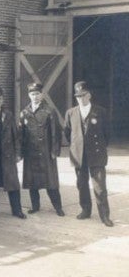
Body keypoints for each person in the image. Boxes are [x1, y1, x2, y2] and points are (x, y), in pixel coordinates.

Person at [63, 81, 113, 227]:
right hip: (79, 155)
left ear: (89, 95)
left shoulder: (100, 112)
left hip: (96, 154)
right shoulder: (71, 113)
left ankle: (105, 216)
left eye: (83, 95)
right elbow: (67, 133)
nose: (80, 98)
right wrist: (77, 146)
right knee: (82, 184)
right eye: (78, 96)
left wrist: (100, 148)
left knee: (100, 187)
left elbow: (107, 134)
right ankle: (85, 210)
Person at [19, 82, 65, 217]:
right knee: (33, 182)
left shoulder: (49, 111)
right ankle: (35, 206)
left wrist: (54, 151)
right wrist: (20, 152)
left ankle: (58, 207)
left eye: (38, 94)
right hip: (30, 153)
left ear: (42, 95)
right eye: (33, 94)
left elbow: (56, 133)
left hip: (46, 152)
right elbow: (21, 134)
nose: (35, 97)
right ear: (29, 95)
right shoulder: (25, 112)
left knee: (51, 182)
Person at [0, 85, 26, 219]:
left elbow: (16, 135)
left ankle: (17, 210)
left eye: (0, 99)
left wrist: (18, 153)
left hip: (7, 154)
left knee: (12, 183)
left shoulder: (8, 114)